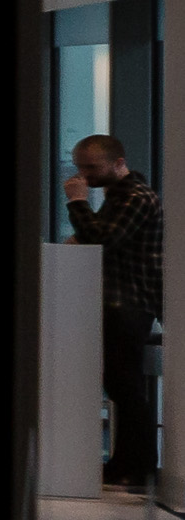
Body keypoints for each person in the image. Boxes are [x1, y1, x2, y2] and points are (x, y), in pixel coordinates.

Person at [69, 131, 163, 490]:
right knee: (122, 386)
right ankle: (125, 465)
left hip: (129, 303)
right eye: (81, 168)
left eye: (92, 168)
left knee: (126, 387)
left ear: (119, 163)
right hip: (122, 302)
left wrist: (77, 203)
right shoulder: (120, 196)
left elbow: (102, 239)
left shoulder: (135, 197)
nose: (85, 176)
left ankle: (137, 467)